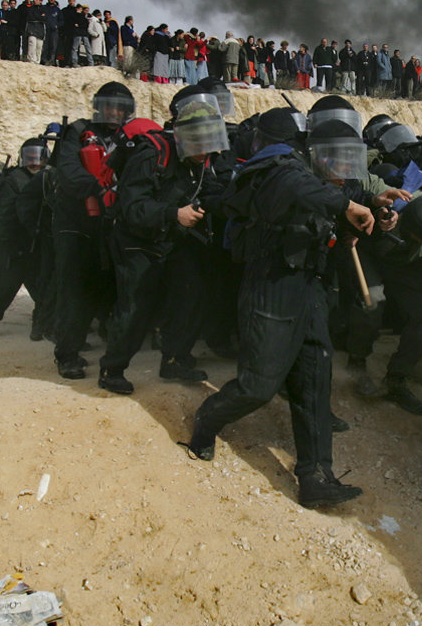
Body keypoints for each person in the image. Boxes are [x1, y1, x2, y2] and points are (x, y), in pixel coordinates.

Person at [185, 108, 375, 509]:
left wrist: (376, 204)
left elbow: (341, 204)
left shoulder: (324, 183)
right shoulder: (282, 167)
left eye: (349, 163)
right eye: (337, 161)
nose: (344, 172)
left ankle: (316, 476)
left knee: (314, 382)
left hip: (309, 290)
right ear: (317, 153)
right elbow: (298, 189)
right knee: (258, 385)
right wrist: (346, 206)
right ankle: (207, 420)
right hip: (270, 288)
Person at [97, 88, 230, 393]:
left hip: (170, 238)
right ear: (182, 136)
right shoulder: (151, 154)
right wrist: (173, 214)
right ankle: (112, 369)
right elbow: (132, 208)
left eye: (210, 144)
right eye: (200, 143)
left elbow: (209, 190)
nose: (205, 151)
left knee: (191, 293)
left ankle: (174, 359)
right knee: (135, 306)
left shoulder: (199, 161)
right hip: (136, 239)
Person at [51, 83, 134, 378]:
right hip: (75, 221)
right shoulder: (77, 131)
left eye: (119, 108)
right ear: (99, 107)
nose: (113, 112)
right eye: (109, 106)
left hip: (109, 221)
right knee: (74, 288)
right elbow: (68, 171)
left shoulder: (129, 137)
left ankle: (108, 335)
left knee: (108, 283)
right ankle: (67, 354)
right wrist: (97, 188)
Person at [0, 139, 49, 338]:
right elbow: (5, 216)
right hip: (17, 242)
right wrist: (10, 244)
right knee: (4, 288)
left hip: (37, 242)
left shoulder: (47, 177)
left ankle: (39, 326)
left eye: (38, 158)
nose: (34, 162)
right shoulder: (14, 179)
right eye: (30, 158)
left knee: (42, 291)